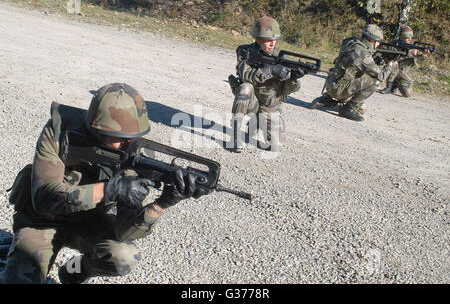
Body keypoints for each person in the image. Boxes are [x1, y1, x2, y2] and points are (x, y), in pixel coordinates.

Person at [1, 83, 209, 284]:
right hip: (41, 221)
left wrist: (163, 203)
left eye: (134, 137)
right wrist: (109, 190)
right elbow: (44, 198)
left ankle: (75, 270)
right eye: (120, 137)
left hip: (88, 222)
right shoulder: (60, 131)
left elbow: (125, 231)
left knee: (124, 255)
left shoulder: (137, 154)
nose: (129, 144)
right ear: (96, 130)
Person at [228, 16, 303, 152]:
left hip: (270, 107)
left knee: (275, 146)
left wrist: (293, 80)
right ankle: (235, 135)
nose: (272, 44)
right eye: (268, 40)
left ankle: (255, 123)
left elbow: (286, 91)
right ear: (258, 40)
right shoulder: (245, 51)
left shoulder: (282, 59)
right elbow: (246, 75)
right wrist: (271, 70)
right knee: (245, 88)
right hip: (252, 101)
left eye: (274, 40)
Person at [310, 24, 395, 121]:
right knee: (375, 84)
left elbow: (354, 63)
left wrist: (374, 58)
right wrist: (390, 66)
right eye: (378, 42)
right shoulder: (363, 54)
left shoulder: (350, 42)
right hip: (339, 89)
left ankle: (326, 99)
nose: (378, 44)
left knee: (350, 73)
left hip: (330, 84)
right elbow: (380, 76)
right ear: (372, 40)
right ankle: (347, 108)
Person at [378, 25, 431, 97]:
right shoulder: (395, 44)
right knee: (394, 63)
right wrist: (408, 52)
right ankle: (389, 87)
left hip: (401, 73)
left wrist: (424, 55)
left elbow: (422, 59)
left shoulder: (413, 46)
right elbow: (389, 56)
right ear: (401, 37)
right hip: (393, 69)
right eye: (407, 38)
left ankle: (395, 85)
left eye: (411, 38)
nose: (409, 39)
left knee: (407, 94)